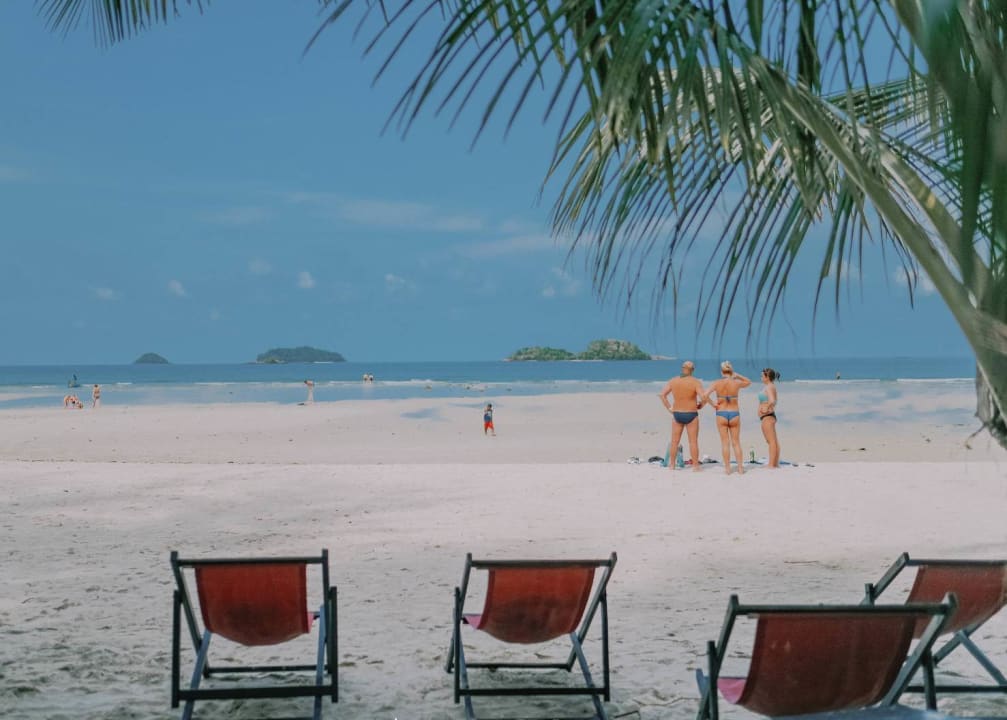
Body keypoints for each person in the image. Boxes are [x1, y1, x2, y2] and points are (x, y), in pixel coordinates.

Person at [703, 361, 752, 474]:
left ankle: (727, 469)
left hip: (721, 413)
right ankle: (740, 468)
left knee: (725, 443)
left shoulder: (717, 383)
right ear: (731, 371)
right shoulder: (736, 383)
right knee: (736, 442)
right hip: (734, 413)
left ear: (722, 372)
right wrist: (737, 375)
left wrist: (713, 404)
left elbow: (704, 395)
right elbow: (748, 382)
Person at [658, 360, 706, 471]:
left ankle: (672, 465)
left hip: (677, 414)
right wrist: (701, 405)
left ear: (682, 368)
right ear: (692, 370)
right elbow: (704, 397)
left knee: (674, 442)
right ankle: (695, 466)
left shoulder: (673, 380)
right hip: (691, 414)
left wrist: (669, 408)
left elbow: (662, 395)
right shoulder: (695, 382)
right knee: (693, 442)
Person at [758, 368, 781, 468]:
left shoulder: (769, 387)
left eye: (762, 376)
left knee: (771, 441)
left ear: (767, 377)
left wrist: (766, 407)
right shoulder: (771, 386)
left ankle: (771, 464)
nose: (761, 378)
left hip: (767, 416)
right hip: (768, 416)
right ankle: (775, 463)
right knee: (773, 441)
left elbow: (772, 400)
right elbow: (773, 400)